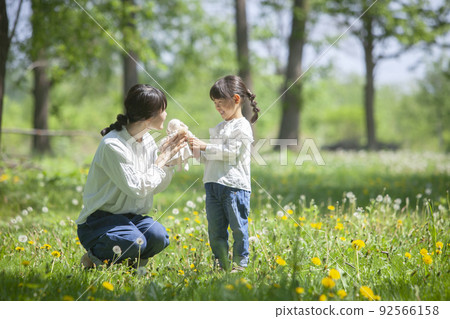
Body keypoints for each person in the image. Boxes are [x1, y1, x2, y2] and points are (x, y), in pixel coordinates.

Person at [76, 84, 187, 268]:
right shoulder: (113, 145)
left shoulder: (148, 140)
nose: (166, 115)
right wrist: (161, 161)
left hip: (131, 218)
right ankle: (93, 257)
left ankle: (133, 262)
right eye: (163, 110)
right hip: (99, 221)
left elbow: (155, 186)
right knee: (133, 240)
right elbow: (138, 188)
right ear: (148, 116)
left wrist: (167, 163)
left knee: (159, 237)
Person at [188, 75, 260, 271]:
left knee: (238, 228)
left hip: (234, 186)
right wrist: (195, 148)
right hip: (212, 184)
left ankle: (239, 264)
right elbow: (209, 156)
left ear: (236, 99)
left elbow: (230, 154)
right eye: (215, 104)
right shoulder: (219, 128)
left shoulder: (242, 126)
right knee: (215, 229)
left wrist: (205, 146)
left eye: (220, 103)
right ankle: (221, 264)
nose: (218, 108)